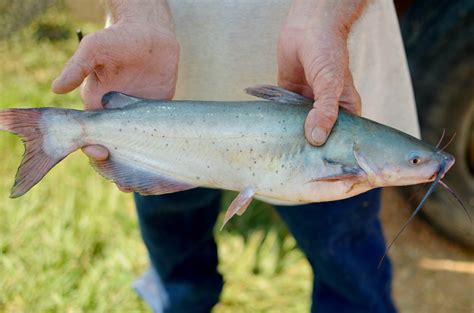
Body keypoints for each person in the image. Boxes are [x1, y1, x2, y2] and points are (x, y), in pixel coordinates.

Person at [52, 0, 420, 312]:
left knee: (345, 259)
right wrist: (138, 12)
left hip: (324, 84)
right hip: (157, 78)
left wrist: (324, 12)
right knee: (174, 245)